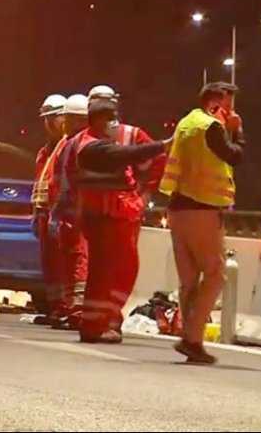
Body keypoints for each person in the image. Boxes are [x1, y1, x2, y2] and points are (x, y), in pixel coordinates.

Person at [67, 95, 171, 343]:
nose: (115, 124)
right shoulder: (91, 146)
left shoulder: (87, 143)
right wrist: (163, 145)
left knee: (106, 273)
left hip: (108, 216)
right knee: (111, 273)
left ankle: (98, 321)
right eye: (111, 119)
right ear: (100, 120)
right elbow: (121, 155)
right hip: (106, 217)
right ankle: (97, 323)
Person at [160, 82, 244, 364]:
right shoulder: (211, 126)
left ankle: (189, 335)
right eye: (228, 103)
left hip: (178, 208)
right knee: (215, 273)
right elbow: (234, 155)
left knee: (189, 281)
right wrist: (237, 130)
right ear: (215, 103)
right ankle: (192, 338)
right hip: (202, 209)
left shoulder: (186, 123)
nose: (231, 110)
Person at [43, 94, 90, 330]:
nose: (63, 123)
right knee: (66, 261)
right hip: (70, 211)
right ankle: (66, 308)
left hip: (77, 212)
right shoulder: (69, 144)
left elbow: (65, 182)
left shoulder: (78, 143)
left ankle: (76, 310)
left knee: (78, 260)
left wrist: (59, 211)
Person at [30, 93, 67, 322]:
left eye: (52, 118)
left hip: (59, 212)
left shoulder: (67, 146)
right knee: (50, 263)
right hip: (44, 211)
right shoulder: (45, 151)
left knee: (63, 262)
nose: (49, 124)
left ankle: (64, 307)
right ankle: (55, 307)